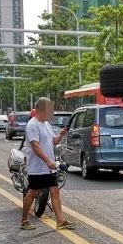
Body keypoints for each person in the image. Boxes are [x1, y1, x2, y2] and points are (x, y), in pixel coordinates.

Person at [20, 97, 73, 230]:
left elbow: (53, 141)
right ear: (38, 110)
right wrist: (48, 161)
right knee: (33, 193)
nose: (51, 113)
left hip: (50, 168)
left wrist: (61, 135)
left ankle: (60, 221)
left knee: (55, 192)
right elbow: (35, 146)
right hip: (37, 168)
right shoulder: (32, 125)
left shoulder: (46, 124)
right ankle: (24, 220)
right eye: (48, 110)